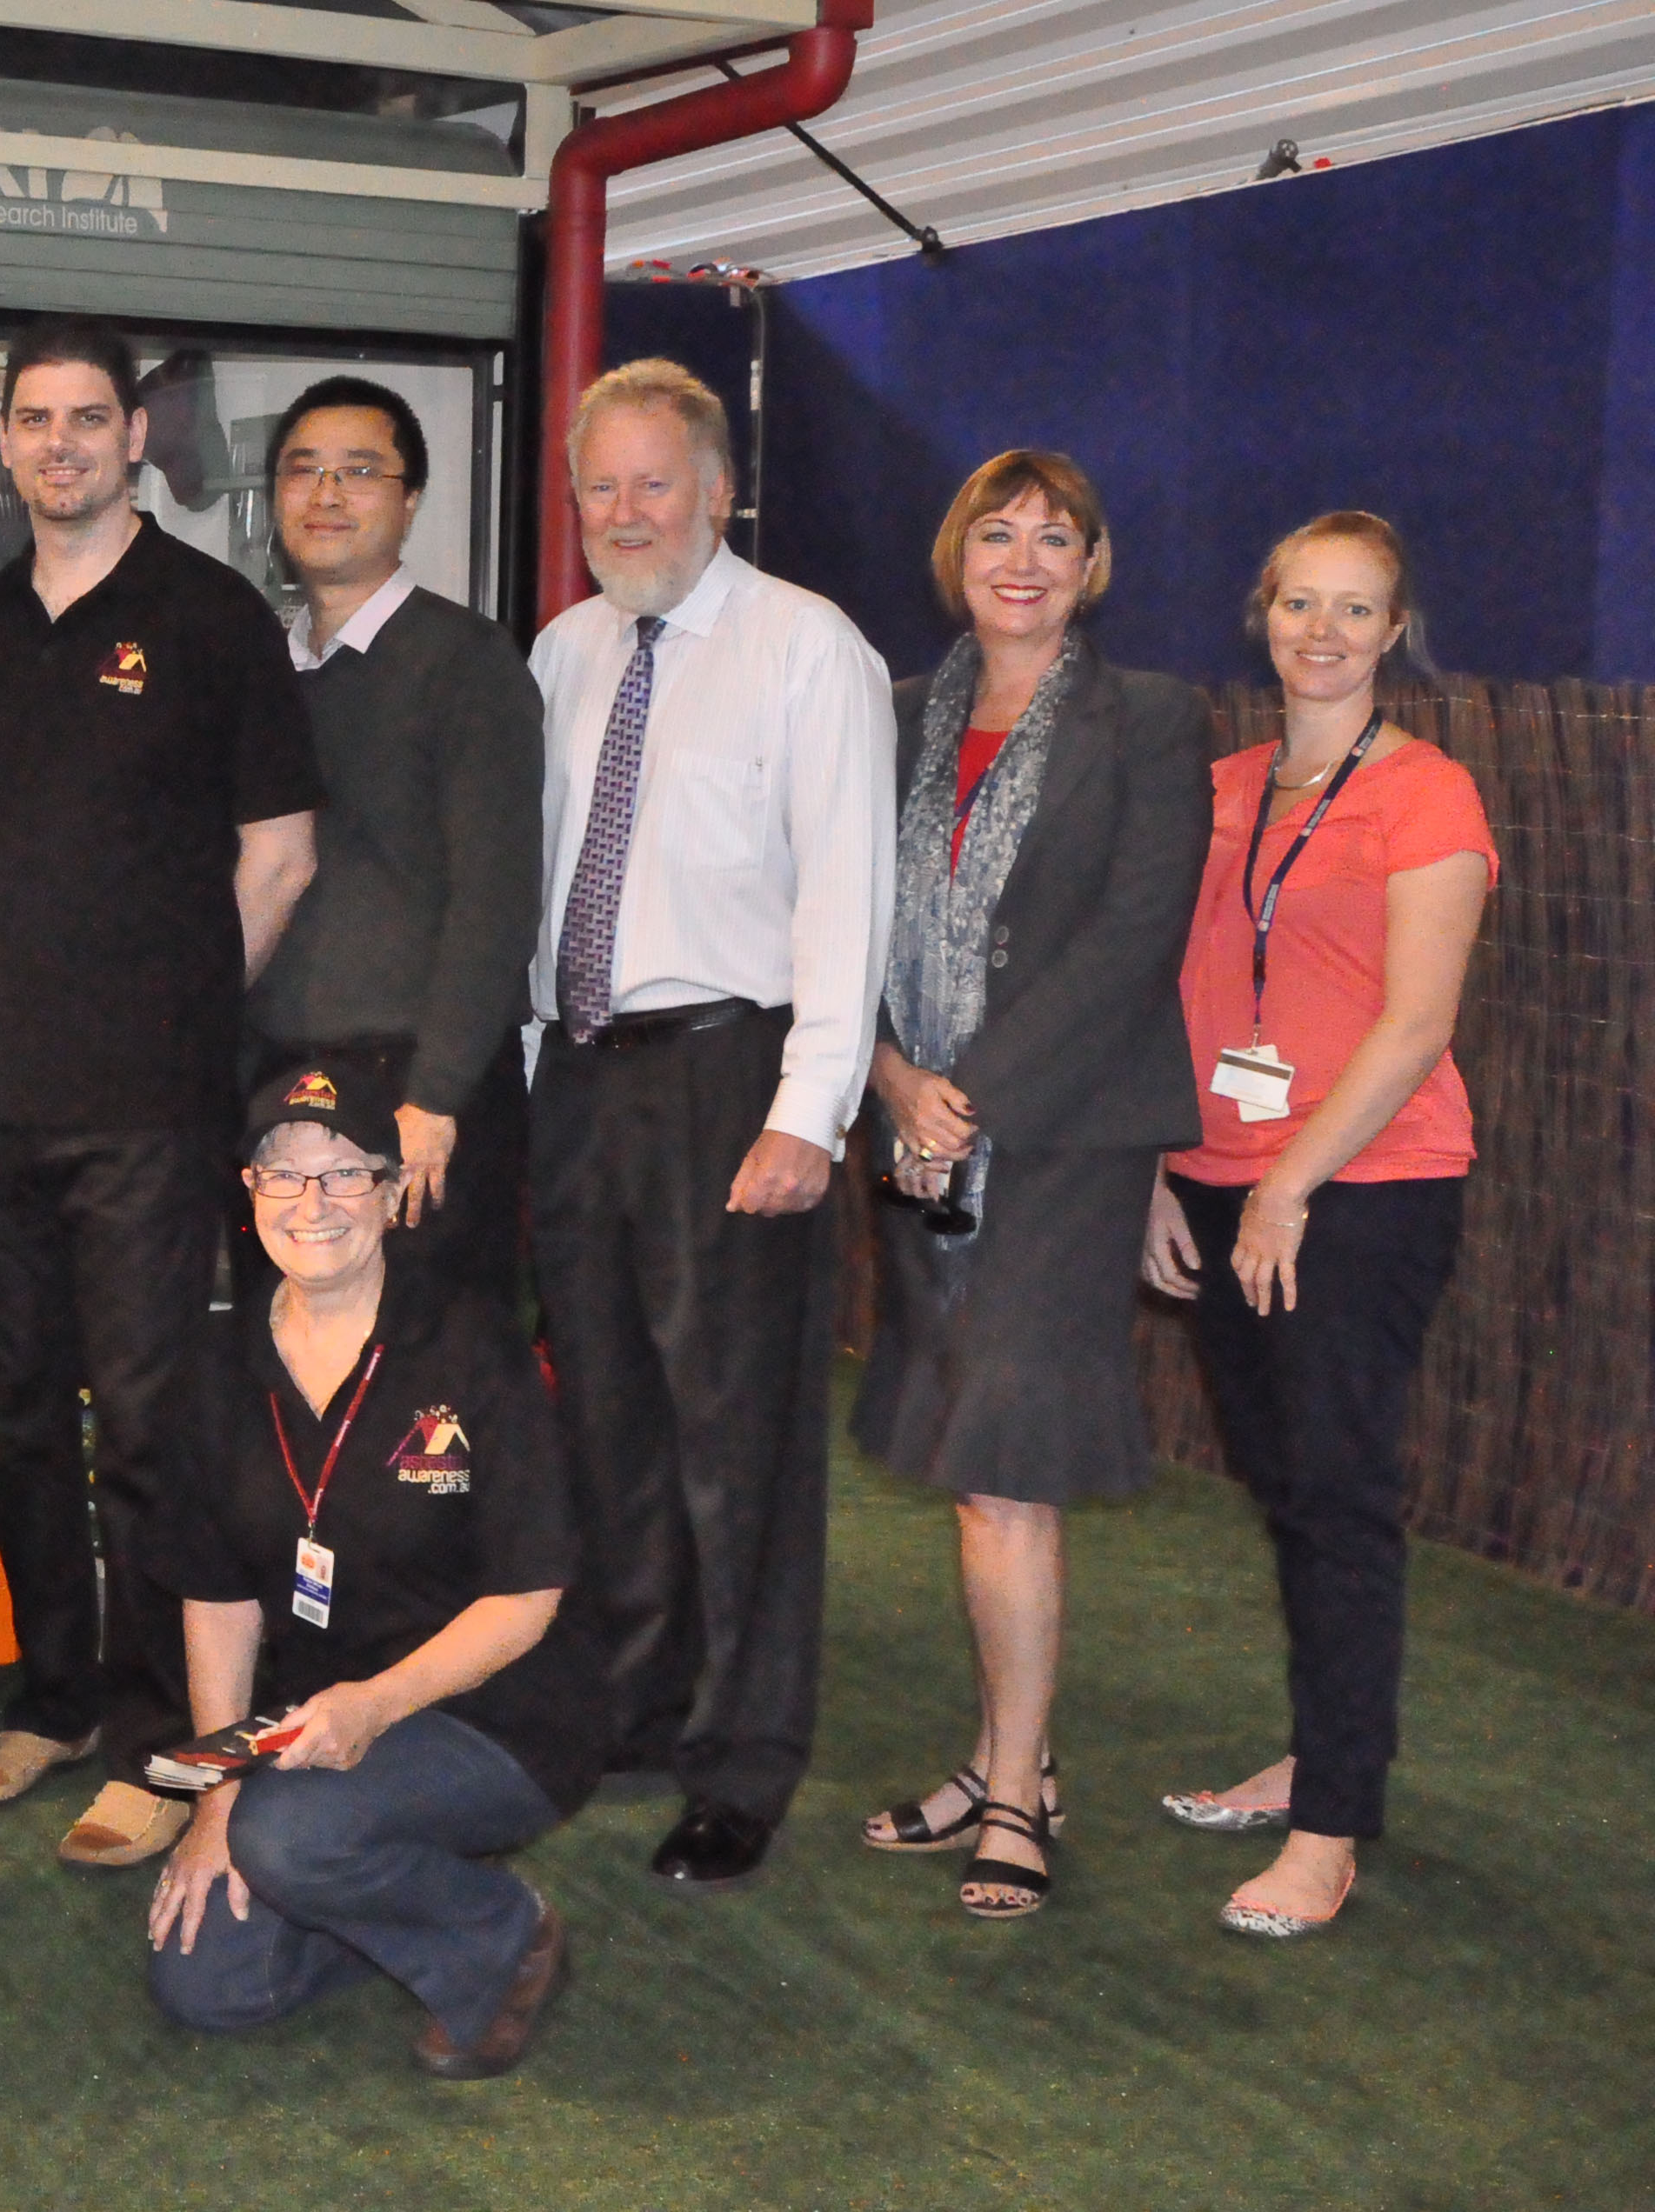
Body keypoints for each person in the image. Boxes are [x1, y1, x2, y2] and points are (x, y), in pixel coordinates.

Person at [0, 319, 321, 1871]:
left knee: (149, 1426)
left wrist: (172, 1003)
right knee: (17, 1411)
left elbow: (277, 852)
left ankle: (165, 1731)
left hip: (149, 1107)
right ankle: (55, 1699)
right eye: (33, 420)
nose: (61, 444)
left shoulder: (213, 618)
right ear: (6, 443)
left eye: (87, 418)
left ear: (135, 437)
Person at [527, 356, 891, 1893]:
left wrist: (810, 1112)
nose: (624, 512)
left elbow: (847, 893)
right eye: (598, 486)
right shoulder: (562, 652)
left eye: (653, 483)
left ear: (720, 491)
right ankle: (637, 1706)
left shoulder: (808, 647)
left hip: (730, 1076)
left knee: (737, 1443)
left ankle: (743, 1759)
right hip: (579, 1078)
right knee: (607, 1423)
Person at [850, 451, 1210, 1920]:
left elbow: (1133, 938)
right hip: (910, 1129)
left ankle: (1009, 1794)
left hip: (1063, 1140)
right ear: (957, 555)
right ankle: (1017, 1755)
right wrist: (891, 1078)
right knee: (970, 1471)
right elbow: (833, 913)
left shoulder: (1152, 719)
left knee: (1005, 1472)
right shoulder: (889, 716)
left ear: (1092, 565)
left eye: (1054, 539)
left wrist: (969, 1093)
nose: (1022, 560)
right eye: (996, 533)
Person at [1141, 511, 1492, 1942]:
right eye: (1301, 603)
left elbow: (1415, 1023)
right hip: (1217, 1178)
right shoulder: (1220, 787)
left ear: (1392, 631)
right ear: (1263, 612)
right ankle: (1317, 1754)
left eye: (1355, 609)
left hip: (1362, 1187)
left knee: (1338, 1496)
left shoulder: (1427, 793)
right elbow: (1166, 988)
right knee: (1287, 1488)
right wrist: (1158, 1169)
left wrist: (1288, 1186)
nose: (1324, 632)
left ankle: (1332, 1821)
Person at [143, 1057, 600, 2075]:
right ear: (248, 1191)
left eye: (346, 1172)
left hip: (495, 1708)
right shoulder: (215, 1368)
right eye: (282, 1172)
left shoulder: (469, 1344)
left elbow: (530, 1594)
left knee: (290, 1838)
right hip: (321, 1722)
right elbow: (216, 1597)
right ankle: (371, 1879)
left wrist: (374, 1709)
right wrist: (215, 1803)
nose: (312, 1202)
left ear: (393, 1195)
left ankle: (504, 1930)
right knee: (210, 1984)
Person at [246, 377, 541, 1301]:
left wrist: (438, 1094)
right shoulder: (258, 670)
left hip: (417, 1090)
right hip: (281, 1082)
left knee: (428, 1361)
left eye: (359, 471)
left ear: (410, 500)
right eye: (303, 470)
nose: (326, 494)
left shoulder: (466, 662)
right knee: (286, 1349)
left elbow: (496, 898)